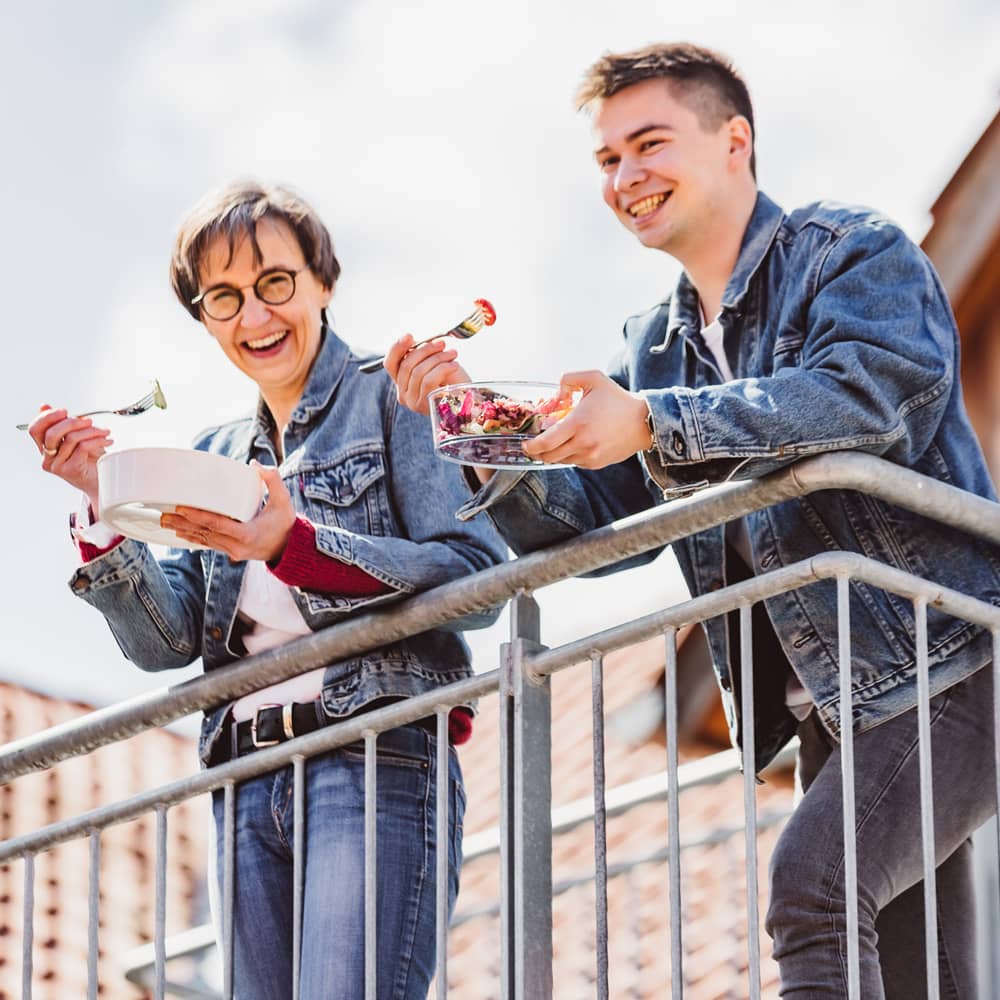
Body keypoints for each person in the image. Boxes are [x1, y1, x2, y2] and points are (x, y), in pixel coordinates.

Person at [386, 43, 1000, 998]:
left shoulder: (855, 255)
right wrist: (480, 433)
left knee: (812, 892)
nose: (626, 177)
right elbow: (584, 533)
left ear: (734, 142)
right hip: (842, 709)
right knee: (928, 975)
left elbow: (859, 400)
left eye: (649, 144)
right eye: (607, 160)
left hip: (952, 662)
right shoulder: (656, 347)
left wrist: (650, 423)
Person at [27, 180, 508, 1000]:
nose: (255, 317)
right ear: (203, 318)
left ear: (324, 282)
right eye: (224, 298)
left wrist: (297, 545)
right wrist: (101, 509)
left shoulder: (394, 398)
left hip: (370, 752)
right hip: (245, 777)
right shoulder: (213, 452)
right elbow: (165, 642)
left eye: (276, 283)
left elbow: (475, 574)